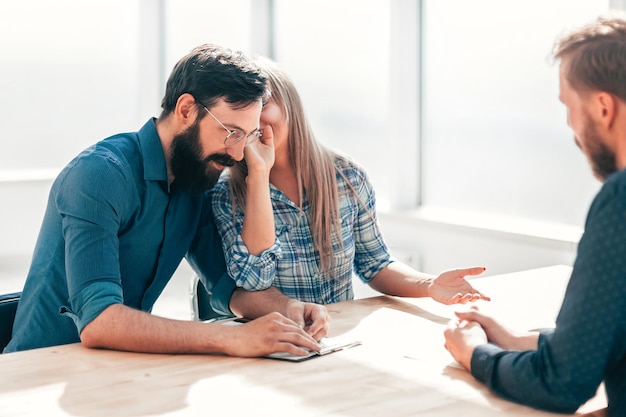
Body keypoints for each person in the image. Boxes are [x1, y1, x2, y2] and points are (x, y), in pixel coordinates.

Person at [5, 44, 329, 356]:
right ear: (186, 110)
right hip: (38, 374)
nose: (237, 153)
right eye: (231, 132)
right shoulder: (99, 175)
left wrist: (290, 308)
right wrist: (231, 337)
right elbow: (99, 321)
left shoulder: (195, 182)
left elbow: (228, 288)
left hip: (118, 368)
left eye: (246, 136)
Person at [443, 16, 626, 417]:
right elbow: (605, 337)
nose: (570, 126)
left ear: (602, 107)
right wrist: (515, 339)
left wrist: (475, 353)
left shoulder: (621, 199)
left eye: (568, 106)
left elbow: (561, 383)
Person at [210, 57, 490, 307]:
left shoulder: (347, 176)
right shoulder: (227, 194)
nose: (253, 121)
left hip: (338, 339)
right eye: (242, 112)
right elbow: (254, 281)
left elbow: (376, 265)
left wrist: (429, 286)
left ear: (290, 107)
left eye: (262, 105)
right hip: (275, 344)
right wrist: (259, 175)